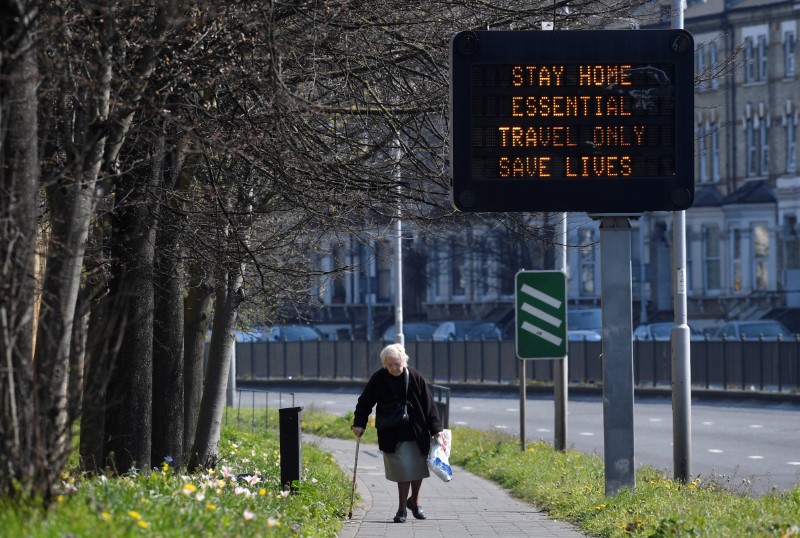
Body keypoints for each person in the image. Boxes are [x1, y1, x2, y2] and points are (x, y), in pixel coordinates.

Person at [351, 343, 443, 523]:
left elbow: (429, 405)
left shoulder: (415, 376)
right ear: (385, 364)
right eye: (390, 364)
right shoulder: (379, 379)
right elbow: (364, 402)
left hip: (416, 430)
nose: (395, 368)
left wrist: (436, 430)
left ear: (404, 361)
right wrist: (359, 423)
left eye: (398, 364)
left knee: (418, 469)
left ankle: (414, 502)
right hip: (392, 433)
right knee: (402, 470)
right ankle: (402, 509)